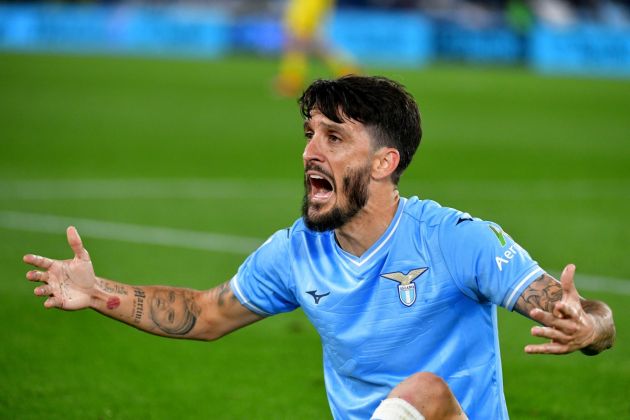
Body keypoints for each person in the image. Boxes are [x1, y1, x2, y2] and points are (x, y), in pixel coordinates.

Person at [24, 75, 615, 420]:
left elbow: (588, 315)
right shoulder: (295, 253)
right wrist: (97, 292)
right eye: (310, 134)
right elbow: (205, 314)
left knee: (425, 393)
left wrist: (587, 328)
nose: (312, 150)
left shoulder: (455, 240)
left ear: (385, 163)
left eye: (335, 137)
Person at [275, 0, 358, 97]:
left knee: (302, 46)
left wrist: (303, 26)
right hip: (303, 18)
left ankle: (292, 80)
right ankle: (292, 79)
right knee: (313, 47)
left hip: (306, 19)